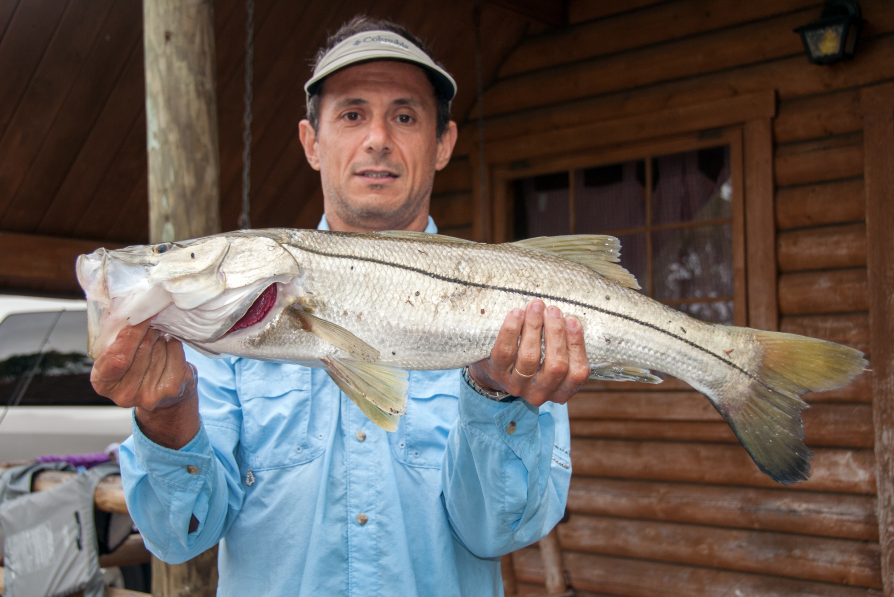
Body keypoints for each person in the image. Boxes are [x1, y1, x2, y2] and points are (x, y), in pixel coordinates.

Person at [91, 16, 590, 597]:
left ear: (443, 144)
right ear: (311, 142)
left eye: (404, 116)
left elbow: (500, 533)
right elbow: (180, 537)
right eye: (352, 114)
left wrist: (496, 394)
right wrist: (166, 417)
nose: (378, 137)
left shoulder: (517, 315)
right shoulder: (218, 333)